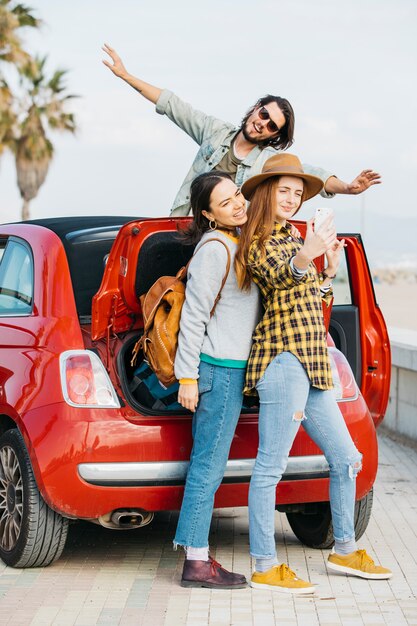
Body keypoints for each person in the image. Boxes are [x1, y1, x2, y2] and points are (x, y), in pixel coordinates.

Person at [234, 153, 392, 594]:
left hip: (314, 361)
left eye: (298, 193)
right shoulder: (256, 237)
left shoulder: (292, 234)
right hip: (282, 360)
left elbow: (308, 300)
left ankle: (344, 550)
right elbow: (277, 279)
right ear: (266, 191)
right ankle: (265, 564)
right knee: (271, 466)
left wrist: (331, 272)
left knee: (348, 460)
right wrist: (307, 256)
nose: (291, 199)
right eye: (284, 190)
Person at [102, 44, 381, 216]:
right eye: (264, 114)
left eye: (272, 126)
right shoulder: (215, 132)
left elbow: (309, 174)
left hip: (230, 238)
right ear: (255, 109)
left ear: (274, 136)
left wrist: (347, 187)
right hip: (187, 222)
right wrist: (126, 76)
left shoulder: (266, 160)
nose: (263, 123)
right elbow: (173, 105)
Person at [172, 170, 261, 589]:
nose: (238, 204)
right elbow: (193, 315)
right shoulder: (215, 247)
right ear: (208, 213)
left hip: (229, 370)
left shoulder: (236, 242)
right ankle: (195, 561)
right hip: (218, 371)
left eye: (238, 194)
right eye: (226, 203)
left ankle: (197, 556)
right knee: (207, 466)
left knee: (210, 464)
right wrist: (186, 377)